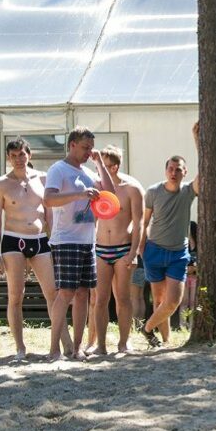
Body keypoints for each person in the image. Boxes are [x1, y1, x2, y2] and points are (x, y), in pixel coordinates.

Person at [43, 127, 117, 360]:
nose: (88, 152)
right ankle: (54, 349)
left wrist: (100, 164)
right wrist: (79, 195)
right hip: (66, 240)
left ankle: (76, 349)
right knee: (66, 293)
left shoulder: (86, 171)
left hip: (87, 240)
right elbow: (48, 199)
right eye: (85, 148)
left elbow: (112, 194)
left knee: (84, 294)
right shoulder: (58, 169)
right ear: (72, 144)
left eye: (91, 148)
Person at [0, 139, 68, 360]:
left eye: (21, 155)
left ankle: (63, 344)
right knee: (16, 294)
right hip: (13, 240)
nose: (18, 159)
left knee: (53, 293)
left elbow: (50, 210)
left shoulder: (43, 178)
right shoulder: (1, 184)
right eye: (13, 155)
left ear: (29, 155)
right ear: (8, 158)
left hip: (40, 239)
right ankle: (20, 348)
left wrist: (55, 239)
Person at [138, 124, 201, 348]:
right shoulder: (153, 191)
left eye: (178, 169)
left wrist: (196, 139)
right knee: (158, 300)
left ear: (185, 172)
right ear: (166, 170)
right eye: (171, 168)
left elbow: (204, 173)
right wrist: (141, 248)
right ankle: (164, 341)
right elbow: (145, 221)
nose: (174, 172)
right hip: (153, 250)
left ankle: (146, 329)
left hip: (178, 254)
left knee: (173, 301)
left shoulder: (187, 192)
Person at [93, 146, 143, 355]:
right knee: (100, 299)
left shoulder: (131, 188)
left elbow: (139, 223)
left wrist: (134, 253)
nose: (101, 171)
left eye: (104, 166)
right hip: (101, 248)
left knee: (122, 297)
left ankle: (124, 342)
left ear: (114, 167)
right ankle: (101, 345)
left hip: (122, 248)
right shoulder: (96, 188)